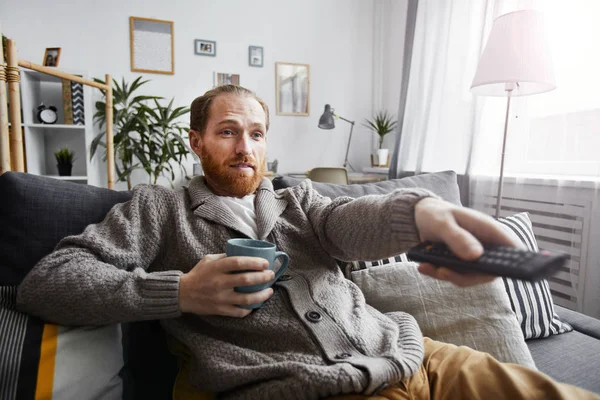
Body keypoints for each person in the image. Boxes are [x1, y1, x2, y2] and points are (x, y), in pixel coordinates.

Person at [17, 85, 599, 400]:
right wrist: (182, 293)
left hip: (413, 357)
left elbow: (349, 221)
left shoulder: (297, 200)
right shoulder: (158, 208)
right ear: (196, 142)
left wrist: (422, 210)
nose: (245, 146)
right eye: (227, 132)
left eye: (256, 133)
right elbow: (50, 281)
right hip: (298, 389)